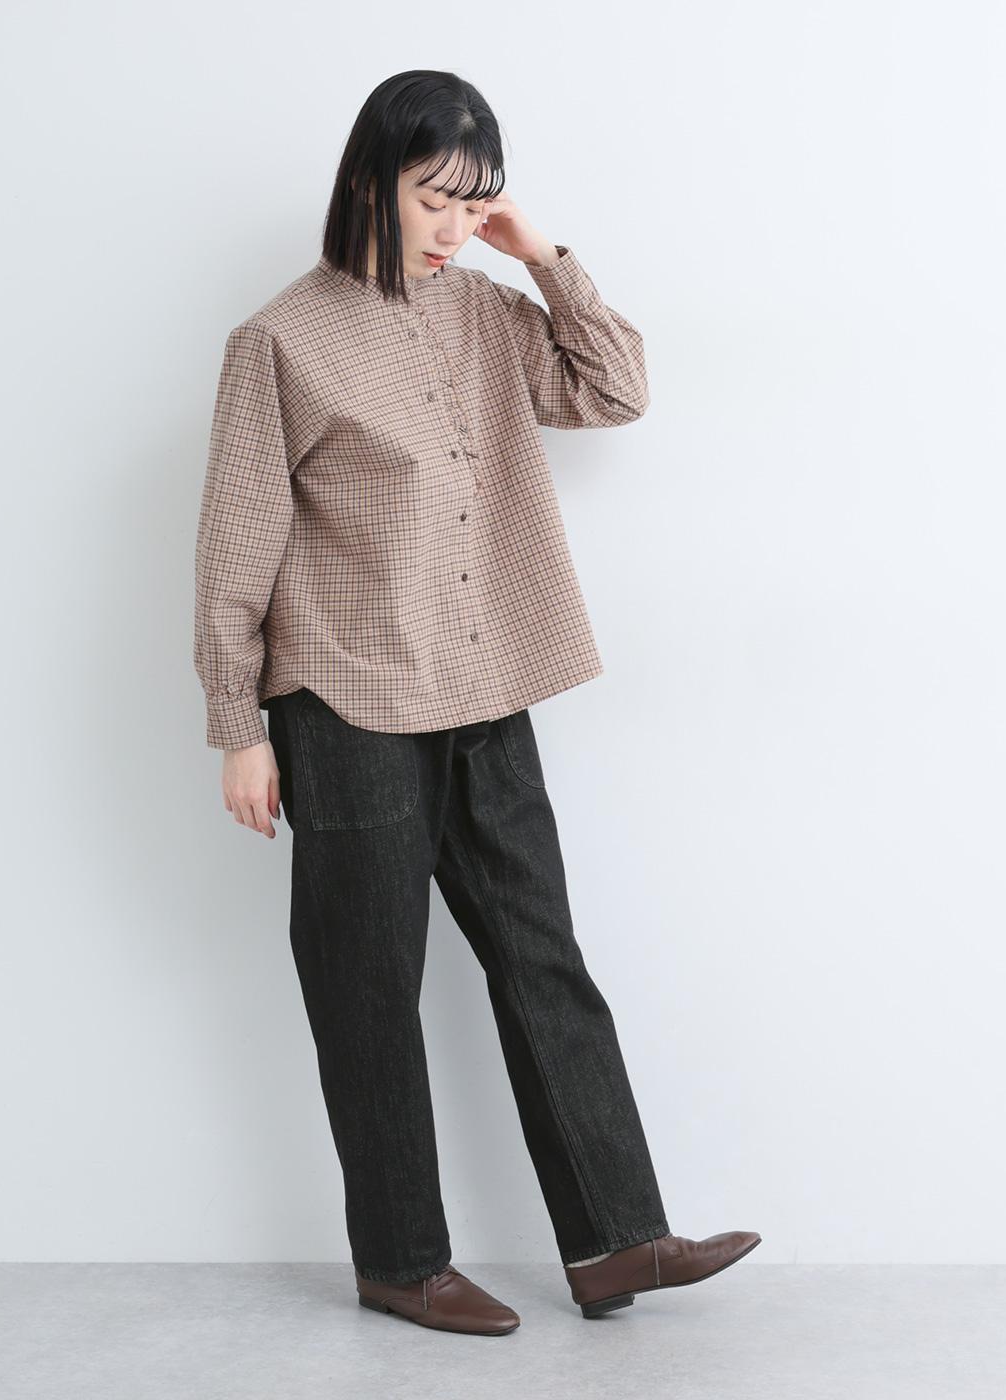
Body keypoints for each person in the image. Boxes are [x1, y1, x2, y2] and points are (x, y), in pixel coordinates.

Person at [193, 69, 760, 1335]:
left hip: (487, 683)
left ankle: (618, 1237)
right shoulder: (279, 341)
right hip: (346, 701)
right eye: (434, 198)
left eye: (475, 200)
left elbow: (615, 390)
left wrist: (542, 253)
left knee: (542, 953)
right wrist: (237, 726)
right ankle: (402, 1259)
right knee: (369, 985)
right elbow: (236, 544)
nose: (455, 226)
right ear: (370, 184)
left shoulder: (489, 314)